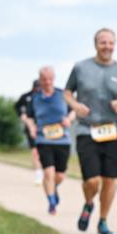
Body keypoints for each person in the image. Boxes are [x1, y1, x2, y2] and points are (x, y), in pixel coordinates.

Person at [64, 28, 117, 234]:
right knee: (92, 180)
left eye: (110, 43)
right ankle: (89, 203)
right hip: (86, 130)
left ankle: (103, 221)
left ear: (115, 45)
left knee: (109, 179)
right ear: (95, 44)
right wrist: (75, 106)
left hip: (115, 131)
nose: (107, 46)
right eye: (102, 42)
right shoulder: (81, 68)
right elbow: (67, 92)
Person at [23, 66, 75, 215]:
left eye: (50, 79)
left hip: (62, 140)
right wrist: (32, 127)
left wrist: (69, 119)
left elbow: (74, 112)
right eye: (44, 79)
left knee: (59, 176)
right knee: (48, 173)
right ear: (40, 80)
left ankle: (53, 188)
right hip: (43, 139)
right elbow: (28, 117)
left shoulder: (62, 95)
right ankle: (52, 202)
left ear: (54, 78)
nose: (47, 82)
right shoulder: (35, 99)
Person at [15, 79, 44, 185]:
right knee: (35, 151)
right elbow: (17, 106)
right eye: (37, 87)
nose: (38, 89)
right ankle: (39, 174)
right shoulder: (26, 97)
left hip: (45, 128)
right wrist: (22, 116)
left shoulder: (46, 97)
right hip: (31, 127)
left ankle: (48, 172)